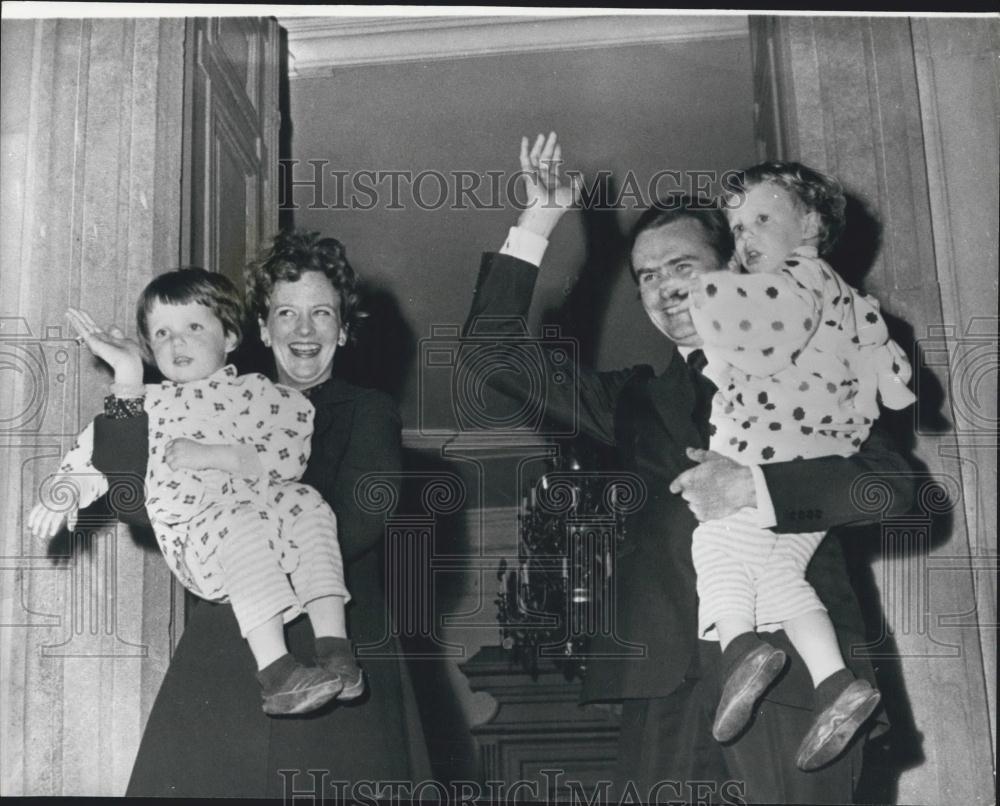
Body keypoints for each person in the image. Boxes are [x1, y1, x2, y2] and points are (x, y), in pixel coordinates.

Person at [464, 133, 914, 804]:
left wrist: (753, 488)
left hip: (799, 682)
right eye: (646, 275)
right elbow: (490, 357)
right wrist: (540, 218)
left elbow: (891, 488)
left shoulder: (816, 366)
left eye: (681, 264)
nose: (664, 285)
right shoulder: (631, 400)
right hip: (664, 696)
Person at [78, 231, 430, 797]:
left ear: (343, 329)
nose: (304, 330)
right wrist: (127, 384)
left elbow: (365, 516)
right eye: (286, 314)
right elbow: (132, 503)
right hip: (229, 657)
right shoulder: (210, 400)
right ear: (262, 329)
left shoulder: (367, 411)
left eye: (322, 313)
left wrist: (239, 503)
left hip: (338, 654)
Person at [30, 268, 360, 717]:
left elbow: (287, 459)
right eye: (162, 333)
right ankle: (277, 671)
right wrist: (63, 490)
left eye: (193, 327)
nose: (176, 342)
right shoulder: (147, 403)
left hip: (271, 520)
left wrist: (211, 455)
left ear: (228, 337)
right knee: (239, 521)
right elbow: (96, 458)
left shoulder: (263, 395)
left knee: (308, 502)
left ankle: (334, 646)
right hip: (200, 539)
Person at [676, 162, 916, 770]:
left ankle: (739, 650)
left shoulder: (794, 279)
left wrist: (714, 289)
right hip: (814, 463)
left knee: (714, 544)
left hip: (775, 448)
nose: (745, 237)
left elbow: (754, 331)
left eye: (761, 218)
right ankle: (836, 683)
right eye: (736, 227)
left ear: (810, 223)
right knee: (783, 581)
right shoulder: (850, 298)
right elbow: (883, 362)